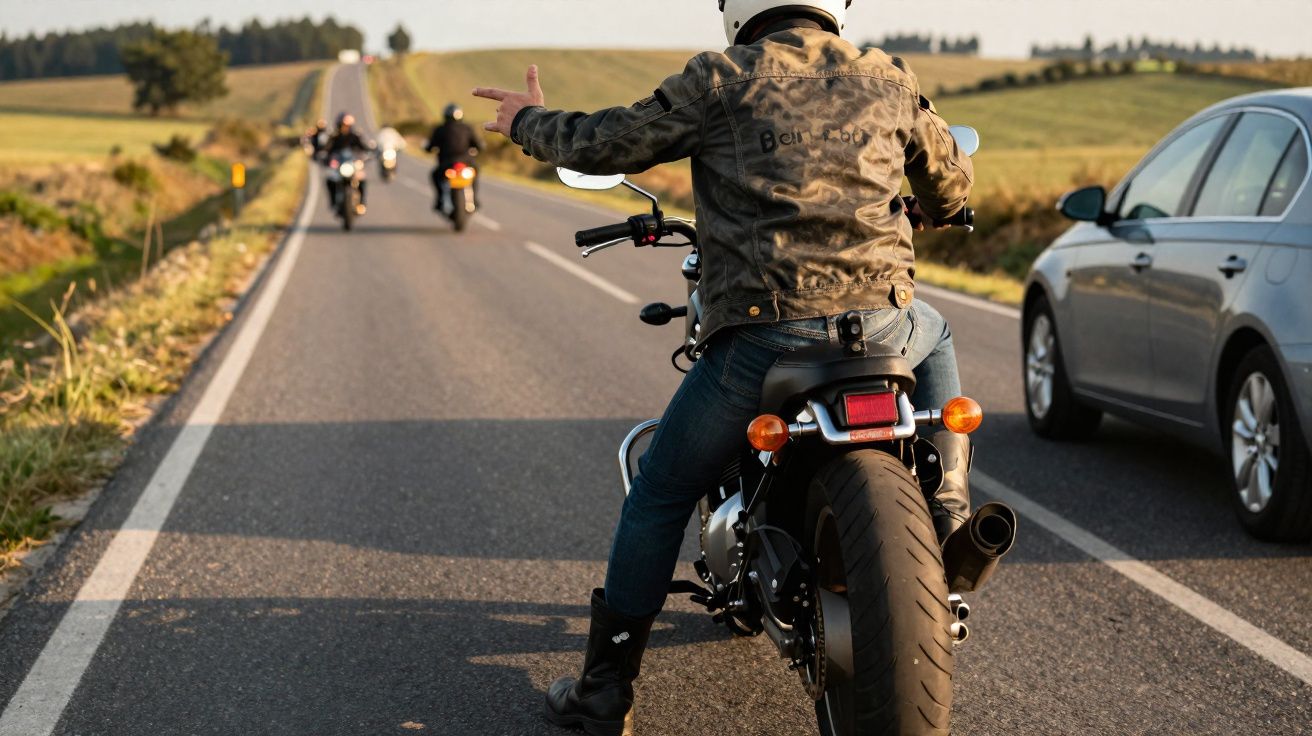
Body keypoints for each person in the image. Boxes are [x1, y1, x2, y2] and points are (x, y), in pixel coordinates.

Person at [474, 1, 974, 732]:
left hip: (768, 333)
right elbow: (950, 187)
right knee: (940, 329)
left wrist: (527, 121)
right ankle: (950, 512)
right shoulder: (888, 78)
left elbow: (608, 142)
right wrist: (932, 208)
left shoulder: (721, 79)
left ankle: (605, 693)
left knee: (660, 491)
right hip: (882, 322)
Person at [424, 103, 483, 212]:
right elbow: (478, 145)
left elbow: (429, 146)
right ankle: (474, 199)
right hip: (466, 162)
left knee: (435, 176)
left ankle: (440, 200)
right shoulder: (467, 128)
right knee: (475, 173)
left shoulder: (440, 129)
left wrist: (428, 148)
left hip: (446, 163)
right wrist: (478, 149)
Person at [325, 113, 374, 214]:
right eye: (343, 125)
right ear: (338, 125)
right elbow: (327, 149)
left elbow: (364, 147)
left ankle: (361, 203)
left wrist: (368, 153)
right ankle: (333, 202)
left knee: (362, 179)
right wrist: (326, 156)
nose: (345, 127)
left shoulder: (355, 136)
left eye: (347, 125)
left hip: (353, 165)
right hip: (339, 167)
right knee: (330, 180)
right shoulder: (334, 136)